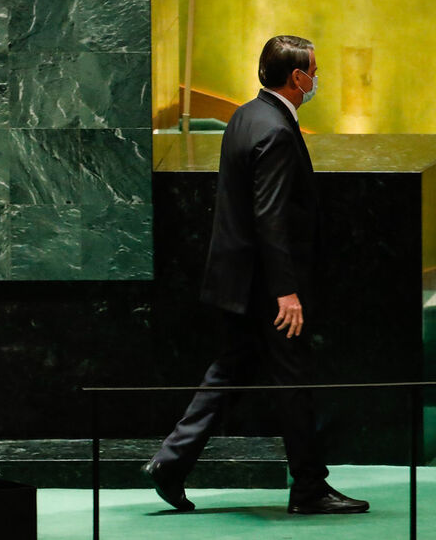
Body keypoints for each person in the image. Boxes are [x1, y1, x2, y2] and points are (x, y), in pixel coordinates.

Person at [142, 35, 368, 515]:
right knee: (295, 381)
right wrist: (286, 292)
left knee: (229, 371)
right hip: (268, 287)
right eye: (315, 71)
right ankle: (309, 487)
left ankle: (171, 462)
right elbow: (271, 217)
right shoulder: (278, 131)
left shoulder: (245, 116)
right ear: (298, 78)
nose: (317, 80)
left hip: (236, 280)